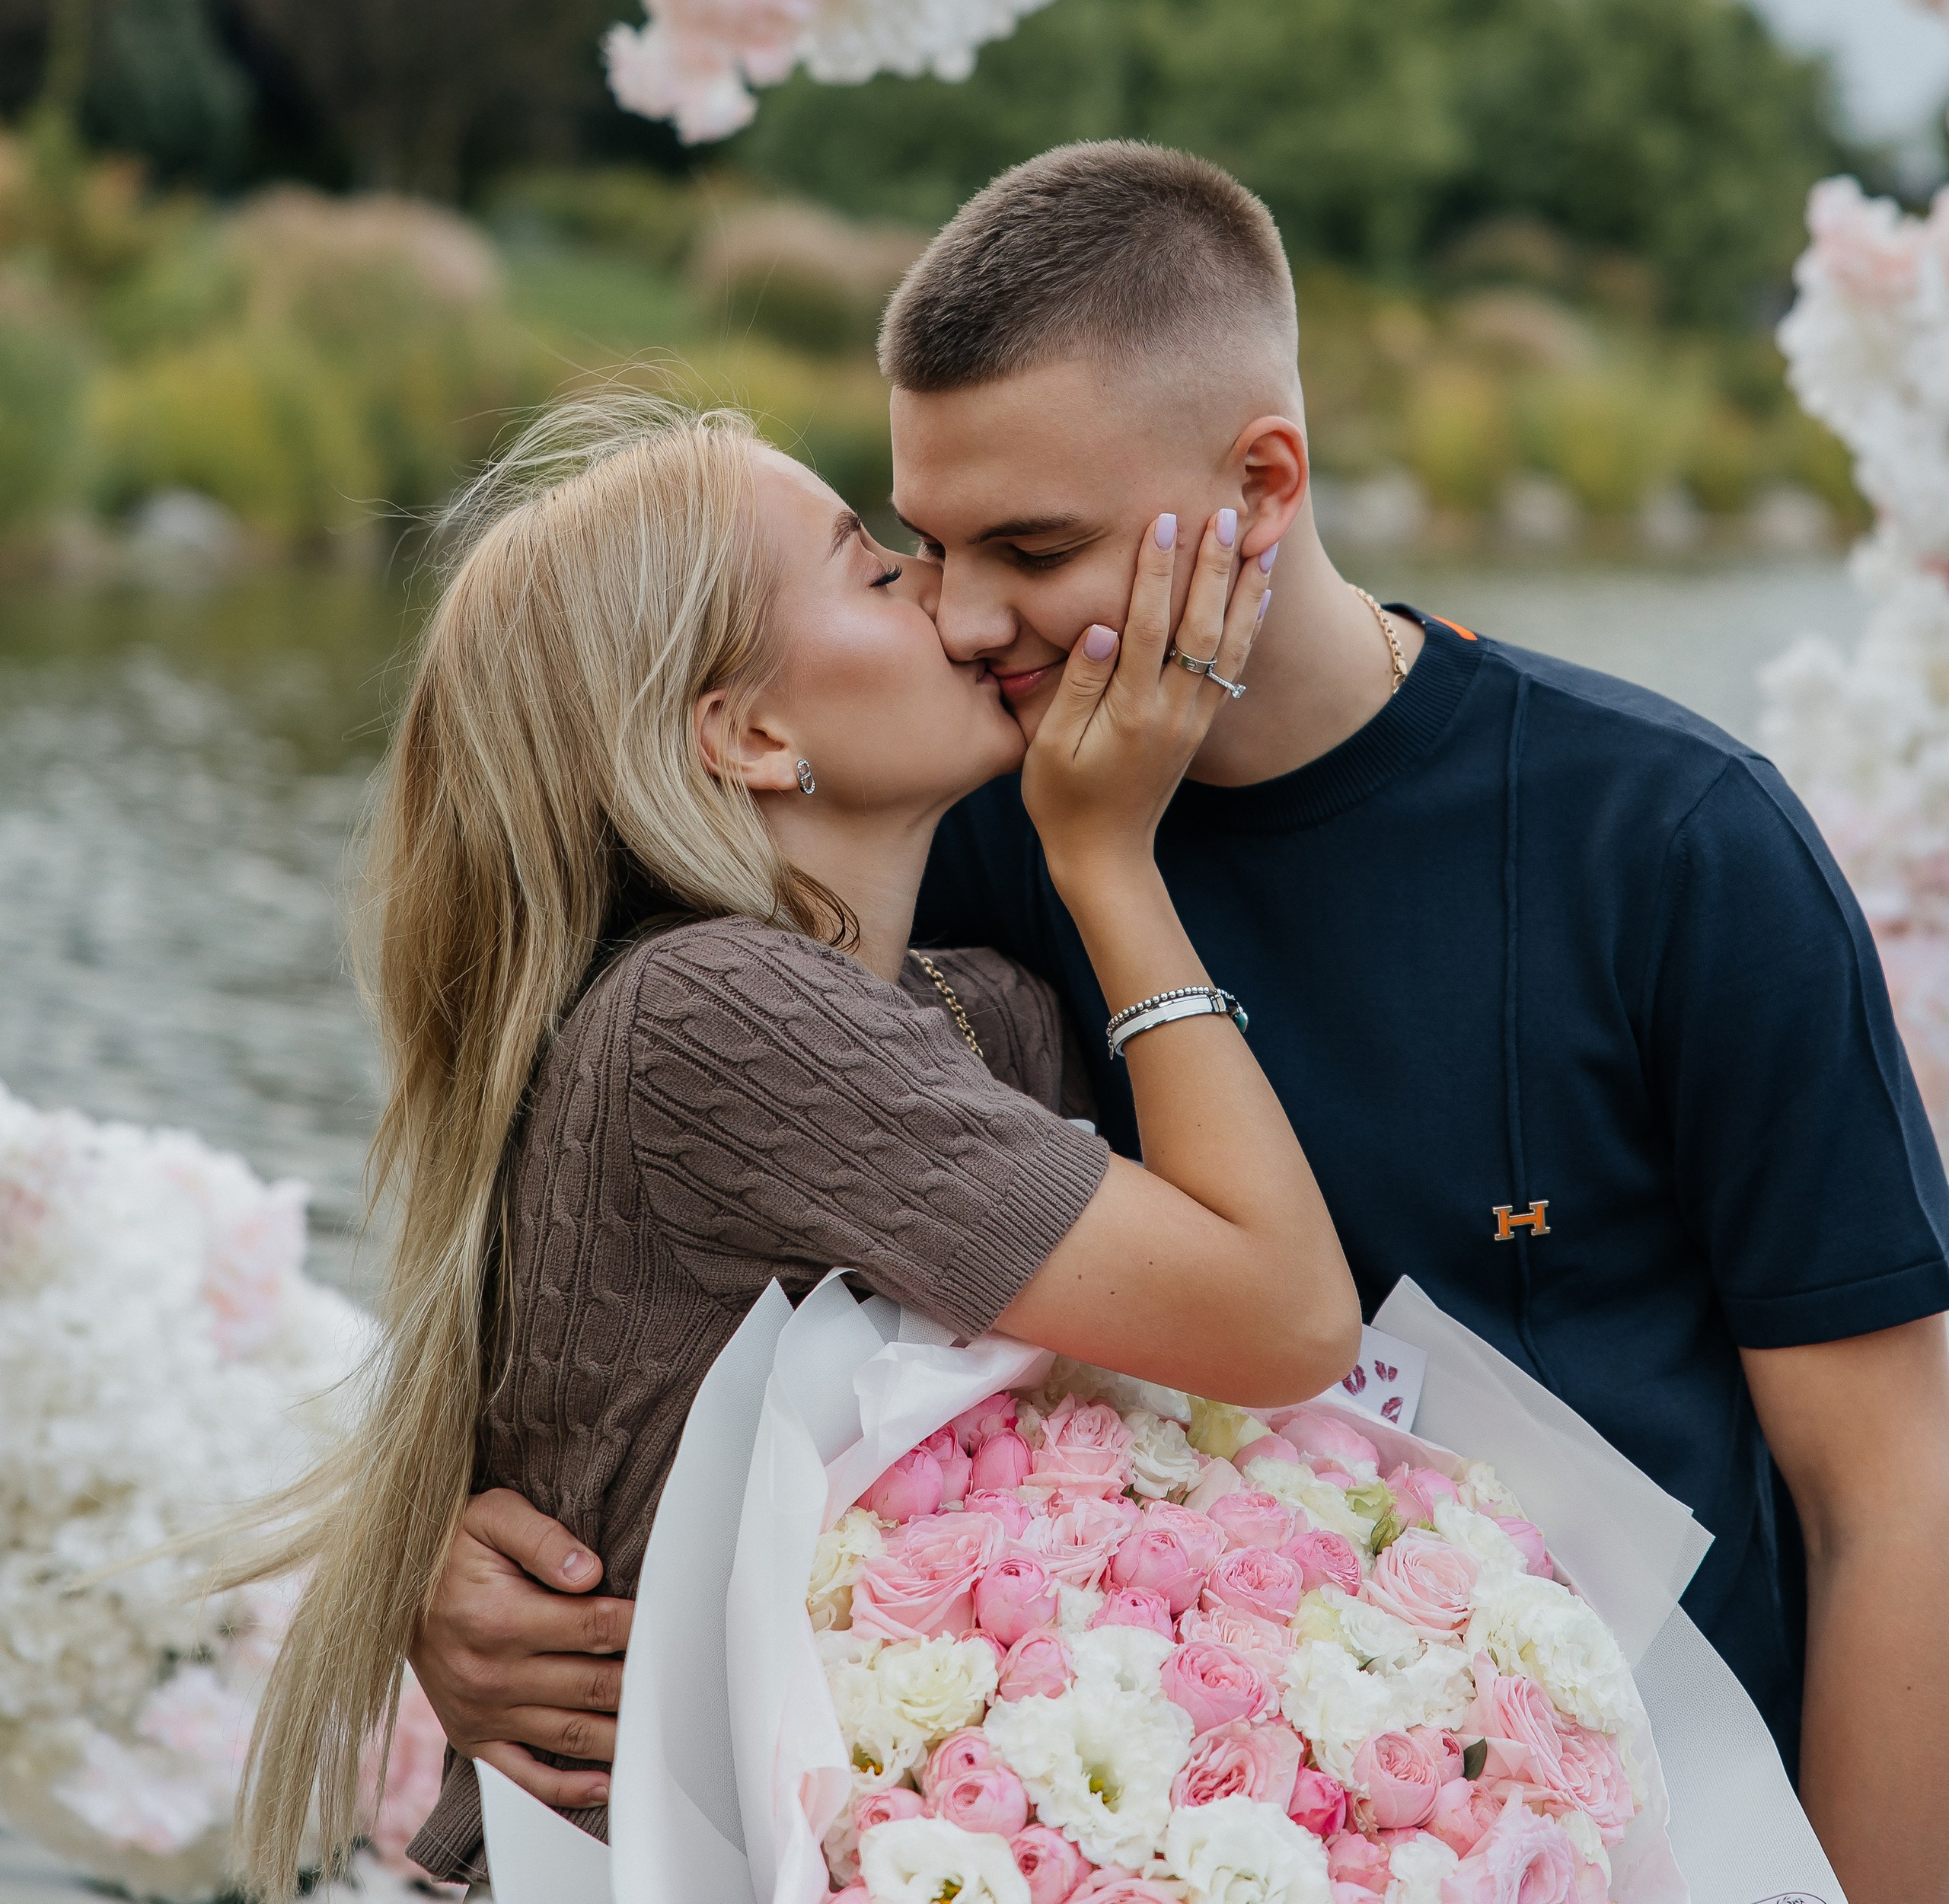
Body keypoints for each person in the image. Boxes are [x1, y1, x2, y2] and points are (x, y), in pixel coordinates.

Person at [422, 142, 1949, 1904]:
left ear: (1261, 482)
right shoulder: (945, 839)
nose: (971, 616)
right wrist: (446, 1591)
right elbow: (591, 1241)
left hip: (1644, 1835)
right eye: (921, 546)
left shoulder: (1666, 840)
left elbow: (1886, 1494)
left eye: (1035, 546)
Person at [236, 393, 1358, 1899]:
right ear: (750, 733)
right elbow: (1283, 1321)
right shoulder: (710, 1016)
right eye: (877, 573)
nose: (953, 604)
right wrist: (1104, 856)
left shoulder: (973, 1012)